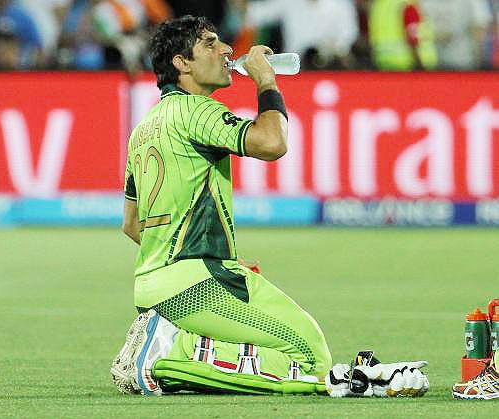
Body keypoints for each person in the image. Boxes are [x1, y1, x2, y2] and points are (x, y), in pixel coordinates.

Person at [110, 14, 332, 396]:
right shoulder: (197, 110)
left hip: (168, 279)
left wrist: (203, 255)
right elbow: (271, 142)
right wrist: (265, 79)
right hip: (196, 280)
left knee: (309, 350)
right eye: (210, 44)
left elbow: (132, 224)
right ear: (182, 63)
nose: (227, 50)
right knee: (311, 363)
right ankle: (165, 358)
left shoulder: (144, 128)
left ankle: (169, 340)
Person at [368, 0, 437, 71]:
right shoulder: (407, 4)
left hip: (382, 60)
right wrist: (419, 63)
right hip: (406, 62)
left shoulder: (379, 5)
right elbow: (412, 36)